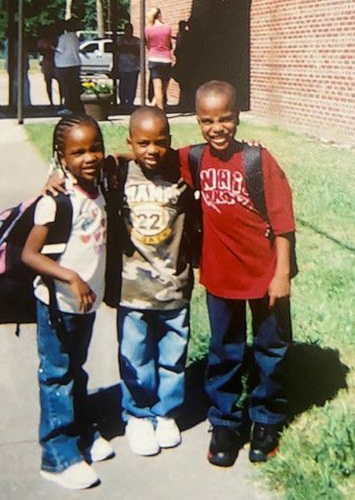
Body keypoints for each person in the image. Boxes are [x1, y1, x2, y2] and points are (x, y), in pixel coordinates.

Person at [178, 81, 296, 468]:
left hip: (265, 277)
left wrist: (281, 274)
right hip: (220, 276)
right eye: (208, 120)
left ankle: (266, 418)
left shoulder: (259, 161)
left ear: (237, 117)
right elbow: (149, 155)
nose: (217, 128)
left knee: (271, 349)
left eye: (225, 119)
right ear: (197, 122)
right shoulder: (194, 159)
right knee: (224, 351)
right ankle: (226, 422)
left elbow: (283, 224)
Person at [21, 114, 114, 490]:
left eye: (95, 148)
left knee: (76, 369)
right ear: (61, 156)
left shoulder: (101, 183)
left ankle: (80, 431)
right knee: (57, 375)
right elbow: (30, 255)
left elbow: (125, 155)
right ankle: (57, 454)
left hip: (85, 304)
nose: (89, 157)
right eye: (78, 152)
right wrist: (71, 277)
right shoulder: (56, 201)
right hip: (57, 305)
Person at [109, 107, 198, 456]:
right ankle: (138, 414)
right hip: (132, 290)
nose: (151, 150)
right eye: (142, 143)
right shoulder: (117, 174)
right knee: (136, 356)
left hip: (174, 286)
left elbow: (213, 157)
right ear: (130, 142)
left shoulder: (182, 171)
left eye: (160, 142)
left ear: (170, 143)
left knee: (173, 356)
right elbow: (75, 171)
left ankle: (166, 413)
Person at [144, 8, 173, 110]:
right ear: (160, 15)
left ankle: (159, 109)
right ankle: (158, 105)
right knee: (165, 86)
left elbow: (148, 45)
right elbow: (169, 43)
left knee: (157, 87)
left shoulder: (148, 29)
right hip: (166, 59)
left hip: (154, 58)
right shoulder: (167, 28)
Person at [54, 18, 84, 115]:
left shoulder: (63, 37)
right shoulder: (75, 37)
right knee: (73, 87)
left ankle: (68, 107)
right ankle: (75, 106)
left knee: (65, 87)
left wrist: (51, 47)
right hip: (75, 63)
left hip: (64, 64)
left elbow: (60, 50)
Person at [114, 23, 141, 108]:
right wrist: (129, 48)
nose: (129, 32)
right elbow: (117, 50)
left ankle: (130, 102)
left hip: (134, 67)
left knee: (132, 86)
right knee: (122, 85)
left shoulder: (137, 40)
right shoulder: (119, 40)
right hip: (122, 67)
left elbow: (138, 52)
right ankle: (122, 102)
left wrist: (127, 48)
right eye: (127, 29)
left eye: (130, 30)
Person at [37, 27, 59, 107]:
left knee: (48, 83)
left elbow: (40, 52)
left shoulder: (42, 42)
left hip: (48, 63)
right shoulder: (55, 41)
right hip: (53, 63)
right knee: (56, 83)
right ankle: (56, 102)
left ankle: (51, 102)